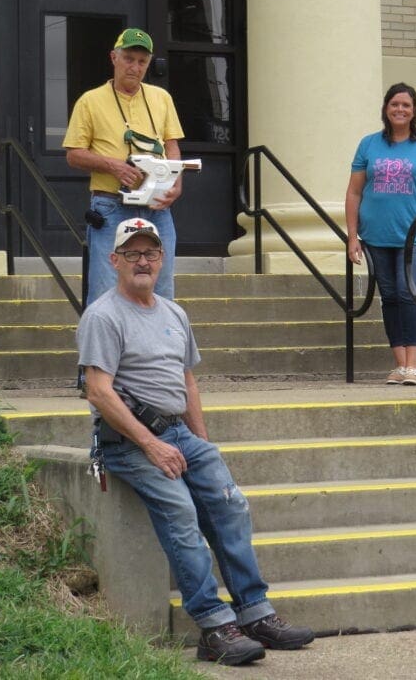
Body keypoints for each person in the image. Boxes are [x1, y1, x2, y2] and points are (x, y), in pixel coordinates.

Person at [77, 218, 314, 666]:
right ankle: (213, 626)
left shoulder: (174, 313)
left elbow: (188, 382)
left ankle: (255, 612)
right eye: (132, 253)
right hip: (128, 442)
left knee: (228, 503)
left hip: (179, 433)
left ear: (162, 259)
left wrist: (200, 446)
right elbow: (98, 391)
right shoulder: (103, 316)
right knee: (182, 513)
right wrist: (152, 445)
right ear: (114, 261)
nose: (142, 261)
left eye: (150, 253)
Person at [64, 27, 184, 306]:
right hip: (110, 204)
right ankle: (105, 349)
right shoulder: (90, 101)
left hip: (157, 205)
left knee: (162, 286)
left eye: (142, 62)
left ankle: (161, 349)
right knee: (106, 289)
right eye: (129, 58)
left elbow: (171, 144)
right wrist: (113, 166)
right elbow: (73, 154)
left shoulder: (161, 98)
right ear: (113, 58)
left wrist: (176, 181)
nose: (135, 67)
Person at [345, 82, 416, 386]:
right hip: (375, 236)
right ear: (385, 109)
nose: (400, 110)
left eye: (406, 105)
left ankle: (413, 365)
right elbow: (354, 192)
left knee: (409, 294)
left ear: (414, 110)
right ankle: (399, 364)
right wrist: (352, 236)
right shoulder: (369, 144)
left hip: (413, 236)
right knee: (389, 297)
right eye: (394, 104)